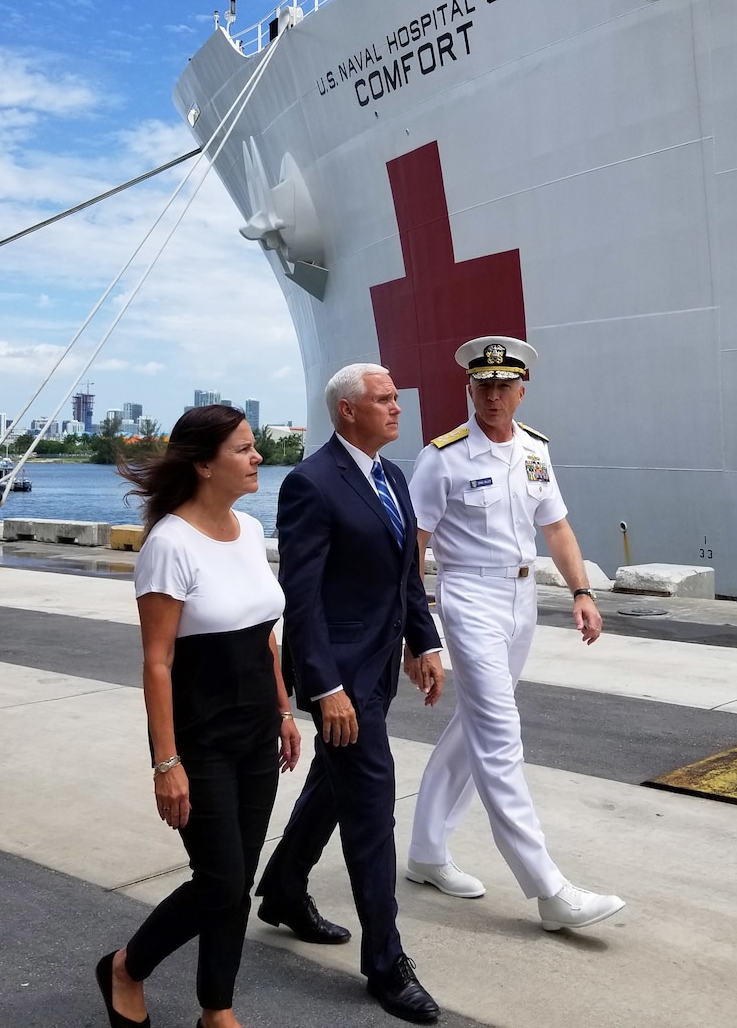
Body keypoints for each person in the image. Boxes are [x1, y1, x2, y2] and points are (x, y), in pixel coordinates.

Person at [404, 336, 626, 932]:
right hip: (468, 597)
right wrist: (415, 631)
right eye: (484, 386)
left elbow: (555, 528)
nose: (494, 396)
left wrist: (582, 591)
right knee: (500, 735)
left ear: (522, 389)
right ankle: (549, 888)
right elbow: (414, 549)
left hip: (521, 599)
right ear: (469, 390)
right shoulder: (442, 458)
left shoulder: (534, 451)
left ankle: (425, 853)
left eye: (505, 386)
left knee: (472, 725)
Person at [95, 404, 301, 1028]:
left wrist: (284, 710)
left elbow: (264, 633)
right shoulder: (169, 544)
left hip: (256, 731)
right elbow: (156, 663)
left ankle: (217, 1009)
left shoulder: (245, 528)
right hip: (199, 738)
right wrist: (166, 762)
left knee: (236, 883)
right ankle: (126, 968)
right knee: (218, 880)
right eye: (243, 449)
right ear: (205, 465)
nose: (257, 456)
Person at [255, 364, 444, 1023]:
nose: (397, 407)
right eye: (384, 399)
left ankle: (281, 887)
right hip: (340, 679)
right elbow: (299, 599)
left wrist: (424, 642)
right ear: (347, 413)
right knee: (371, 811)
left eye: (395, 397)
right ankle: (386, 966)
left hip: (379, 671)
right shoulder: (312, 483)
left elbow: (405, 579)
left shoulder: (392, 477)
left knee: (334, 784)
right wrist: (325, 686)